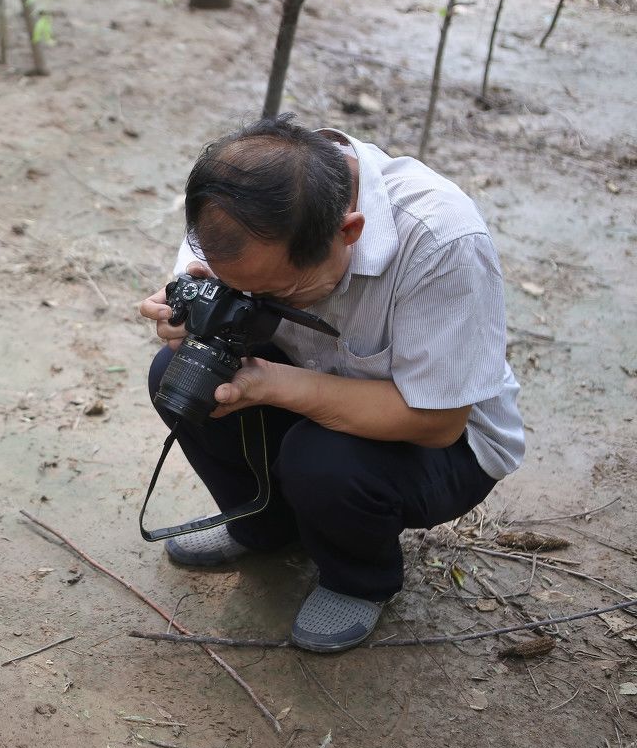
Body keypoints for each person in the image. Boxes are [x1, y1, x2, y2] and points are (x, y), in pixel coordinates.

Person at [139, 114, 524, 652]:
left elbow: (438, 422)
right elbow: (205, 285)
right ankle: (264, 524)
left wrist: (272, 385)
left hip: (446, 440)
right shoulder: (243, 203)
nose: (259, 300)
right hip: (317, 380)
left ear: (348, 231)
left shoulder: (440, 239)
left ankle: (358, 579)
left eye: (280, 292)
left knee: (320, 458)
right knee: (177, 376)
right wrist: (184, 312)